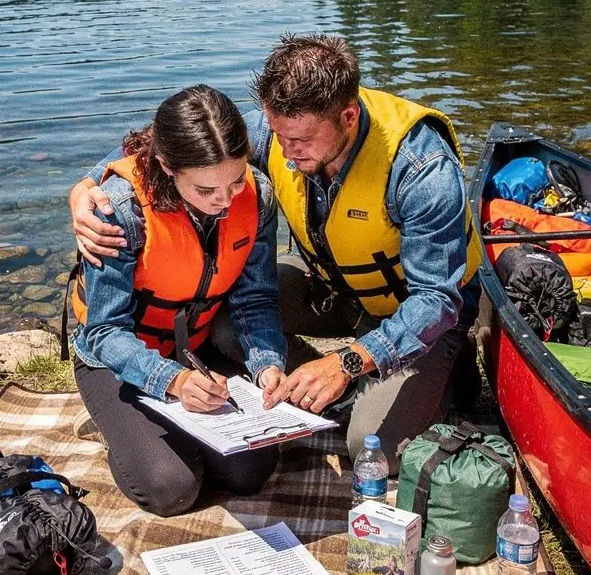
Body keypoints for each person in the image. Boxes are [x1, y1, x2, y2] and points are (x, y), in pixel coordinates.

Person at [70, 35, 481, 474]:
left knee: (370, 447)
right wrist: (86, 188)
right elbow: (168, 149)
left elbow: (437, 300)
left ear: (348, 116)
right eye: (278, 134)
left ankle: (443, 374)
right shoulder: (281, 130)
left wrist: (346, 362)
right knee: (229, 326)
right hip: (333, 294)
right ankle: (308, 384)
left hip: (421, 313)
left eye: (301, 140)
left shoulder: (422, 168)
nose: (285, 151)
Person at [68, 84, 287, 516]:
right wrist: (173, 382)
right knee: (172, 488)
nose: (225, 202)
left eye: (236, 180)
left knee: (251, 471)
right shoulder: (118, 211)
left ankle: (166, 424)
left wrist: (267, 363)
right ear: (168, 166)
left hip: (194, 347)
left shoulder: (256, 195)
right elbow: (104, 332)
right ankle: (119, 427)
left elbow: (256, 298)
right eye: (207, 190)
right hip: (113, 358)